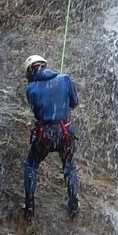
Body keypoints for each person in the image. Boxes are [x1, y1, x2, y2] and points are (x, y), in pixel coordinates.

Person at [22, 54, 80, 220]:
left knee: (31, 164)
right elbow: (74, 103)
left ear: (30, 72)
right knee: (69, 165)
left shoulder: (31, 89)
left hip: (45, 134)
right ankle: (74, 204)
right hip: (65, 132)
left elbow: (37, 112)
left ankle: (29, 205)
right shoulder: (64, 79)